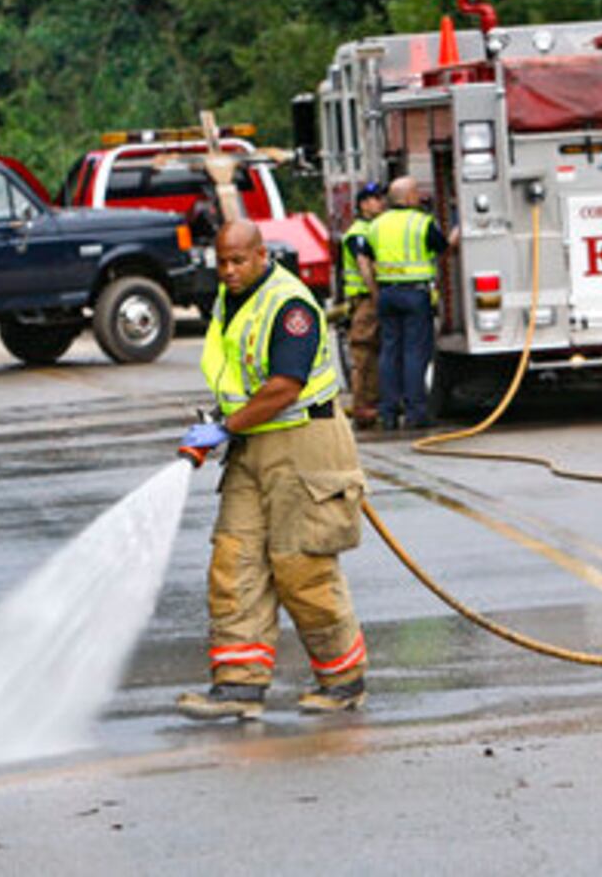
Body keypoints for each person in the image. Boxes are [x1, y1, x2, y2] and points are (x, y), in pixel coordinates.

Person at [175, 220, 370, 721]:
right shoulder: (229, 301)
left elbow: (286, 385)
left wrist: (226, 427)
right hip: (251, 444)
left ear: (263, 256)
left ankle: (343, 679)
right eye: (221, 262)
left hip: (304, 445)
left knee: (301, 565)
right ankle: (238, 685)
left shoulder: (291, 306)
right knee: (233, 560)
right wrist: (219, 425)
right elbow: (242, 378)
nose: (229, 271)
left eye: (238, 261)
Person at [361, 176, 459, 429]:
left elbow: (365, 262)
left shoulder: (375, 226)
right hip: (415, 295)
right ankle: (416, 412)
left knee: (389, 352)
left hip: (387, 295)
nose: (420, 196)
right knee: (415, 353)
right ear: (407, 198)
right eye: (416, 192)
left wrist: (375, 293)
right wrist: (456, 235)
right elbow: (443, 248)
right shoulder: (422, 223)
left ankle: (389, 413)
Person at [340, 182, 386, 431]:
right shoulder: (359, 232)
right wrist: (376, 295)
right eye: (375, 199)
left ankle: (373, 403)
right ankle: (363, 407)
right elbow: (364, 266)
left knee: (375, 353)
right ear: (363, 204)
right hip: (365, 299)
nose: (381, 202)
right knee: (364, 353)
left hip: (370, 298)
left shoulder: (373, 228)